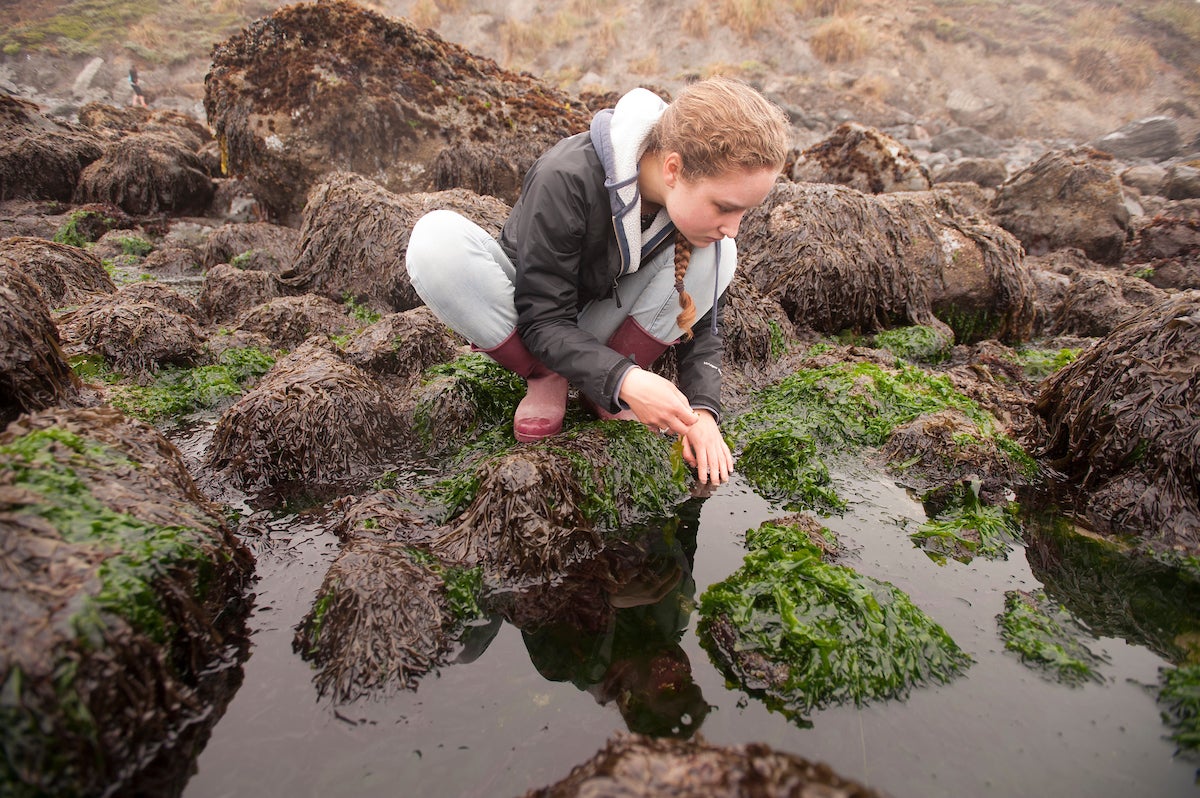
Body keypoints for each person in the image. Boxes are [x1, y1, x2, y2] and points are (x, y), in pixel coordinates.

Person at [406, 77, 789, 486]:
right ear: (673, 169)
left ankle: (600, 387)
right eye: (725, 208)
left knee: (721, 255)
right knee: (434, 241)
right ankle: (547, 376)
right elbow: (542, 319)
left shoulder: (705, 226)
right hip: (533, 317)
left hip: (597, 327)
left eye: (744, 212)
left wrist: (702, 413)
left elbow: (704, 328)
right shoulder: (566, 176)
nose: (733, 227)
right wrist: (627, 379)